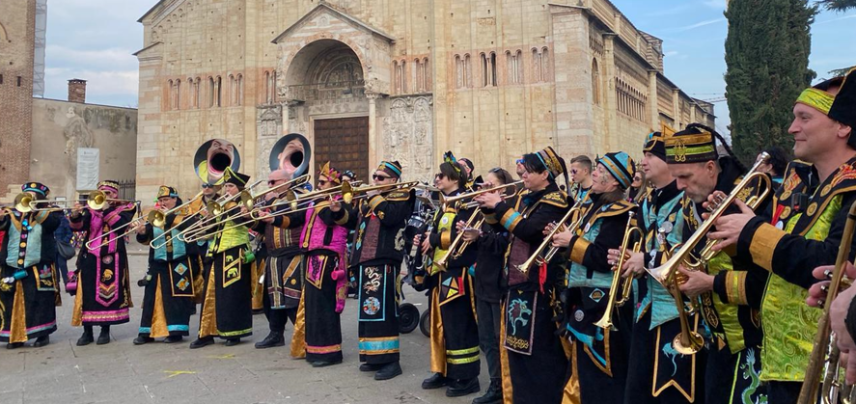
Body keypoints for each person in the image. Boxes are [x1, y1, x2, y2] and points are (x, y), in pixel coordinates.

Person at [708, 70, 856, 402]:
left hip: (826, 370)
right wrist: (738, 240)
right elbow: (775, 269)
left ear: (843, 127)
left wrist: (753, 233)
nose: (792, 128)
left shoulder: (851, 187)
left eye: (804, 117)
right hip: (780, 362)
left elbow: (831, 265)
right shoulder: (800, 185)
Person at [665, 124, 769, 404]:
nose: (679, 186)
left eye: (684, 176)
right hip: (717, 338)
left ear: (711, 168)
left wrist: (710, 283)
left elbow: (770, 280)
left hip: (756, 340)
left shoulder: (752, 195)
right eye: (675, 178)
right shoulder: (689, 205)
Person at [475, 146, 571, 404]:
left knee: (537, 354)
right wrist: (488, 205)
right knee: (517, 351)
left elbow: (528, 231)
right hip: (517, 284)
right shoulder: (532, 198)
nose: (524, 174)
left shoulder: (556, 201)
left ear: (546, 175)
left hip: (538, 288)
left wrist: (501, 205)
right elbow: (504, 226)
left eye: (529, 171)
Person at [609, 132, 700, 403]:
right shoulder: (647, 201)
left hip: (678, 312)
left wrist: (646, 260)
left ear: (669, 161)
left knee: (673, 390)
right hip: (645, 307)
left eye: (650, 156)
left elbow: (691, 253)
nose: (643, 162)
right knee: (640, 388)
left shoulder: (687, 200)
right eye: (644, 155)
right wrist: (627, 258)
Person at [550, 152, 636, 404]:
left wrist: (572, 242)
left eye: (599, 170)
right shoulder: (593, 207)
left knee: (602, 373)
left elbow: (604, 258)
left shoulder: (620, 212)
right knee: (584, 372)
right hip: (582, 298)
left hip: (601, 301)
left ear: (613, 182)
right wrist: (566, 240)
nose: (594, 173)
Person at [416, 152, 481, 398]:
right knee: (440, 324)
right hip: (440, 271)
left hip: (457, 271)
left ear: (454, 178)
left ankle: (466, 376)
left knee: (458, 325)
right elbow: (437, 231)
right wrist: (424, 239)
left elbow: (466, 235)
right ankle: (443, 369)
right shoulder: (445, 203)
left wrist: (433, 239)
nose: (437, 178)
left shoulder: (466, 202)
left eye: (441, 175)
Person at [350, 160, 415, 381]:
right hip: (365, 261)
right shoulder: (372, 200)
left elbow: (390, 217)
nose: (374, 181)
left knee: (383, 312)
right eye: (374, 176)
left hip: (384, 261)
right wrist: (339, 209)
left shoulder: (402, 196)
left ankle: (390, 360)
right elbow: (352, 223)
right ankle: (373, 356)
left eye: (380, 178)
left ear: (394, 180)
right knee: (369, 312)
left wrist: (374, 195)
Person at [458, 167, 515, 404]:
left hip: (499, 283)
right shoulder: (482, 212)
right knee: (487, 340)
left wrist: (480, 236)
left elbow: (505, 243)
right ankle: (495, 385)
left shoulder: (507, 212)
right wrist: (469, 236)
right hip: (482, 279)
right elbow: (478, 247)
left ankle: (506, 387)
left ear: (502, 188)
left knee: (500, 340)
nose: (484, 188)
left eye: (490, 185)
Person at [191, 168, 255, 348]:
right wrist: (209, 220)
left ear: (240, 188)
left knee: (231, 294)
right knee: (209, 292)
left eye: (230, 186)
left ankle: (233, 332)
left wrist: (227, 207)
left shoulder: (245, 201)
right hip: (216, 251)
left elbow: (244, 222)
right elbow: (213, 231)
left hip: (235, 252)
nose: (227, 189)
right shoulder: (222, 203)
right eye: (226, 185)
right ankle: (207, 332)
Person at [299, 162, 356, 367]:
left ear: (332, 184)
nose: (319, 185)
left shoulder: (339, 202)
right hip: (313, 256)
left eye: (322, 182)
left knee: (325, 305)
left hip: (329, 258)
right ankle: (315, 350)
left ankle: (330, 352)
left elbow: (341, 219)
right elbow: (296, 219)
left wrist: (332, 205)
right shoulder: (317, 202)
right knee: (314, 305)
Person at [68, 180, 137, 346]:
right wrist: (76, 215)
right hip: (90, 256)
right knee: (87, 292)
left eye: (107, 194)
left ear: (114, 195)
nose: (103, 197)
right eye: (101, 193)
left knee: (109, 292)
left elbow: (121, 226)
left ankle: (105, 330)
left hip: (113, 257)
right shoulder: (90, 210)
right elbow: (79, 228)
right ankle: (87, 331)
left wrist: (106, 211)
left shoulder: (126, 208)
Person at [0, 183, 63, 348]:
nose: (30, 199)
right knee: (10, 299)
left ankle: (42, 334)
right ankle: (15, 335)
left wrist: (35, 210)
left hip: (38, 265)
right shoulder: (11, 214)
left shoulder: (51, 213)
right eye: (27, 195)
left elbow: (52, 225)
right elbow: (2, 226)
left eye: (34, 197)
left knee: (40, 300)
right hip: (12, 264)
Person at [251, 170, 308, 352]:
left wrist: (272, 217)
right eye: (269, 182)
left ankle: (304, 336)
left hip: (293, 254)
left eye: (273, 182)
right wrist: (249, 217)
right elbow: (261, 226)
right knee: (272, 299)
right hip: (273, 255)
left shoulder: (298, 197)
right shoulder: (269, 202)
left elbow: (295, 219)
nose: (269, 186)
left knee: (293, 299)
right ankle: (276, 333)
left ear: (285, 181)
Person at [133, 186, 198, 345]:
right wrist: (142, 232)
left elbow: (190, 232)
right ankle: (147, 332)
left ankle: (175, 331)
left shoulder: (185, 215)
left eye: (166, 200)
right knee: (151, 297)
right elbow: (147, 239)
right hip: (157, 262)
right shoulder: (154, 217)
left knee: (176, 298)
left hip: (179, 262)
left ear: (175, 199)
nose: (163, 203)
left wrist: (166, 217)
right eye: (161, 200)